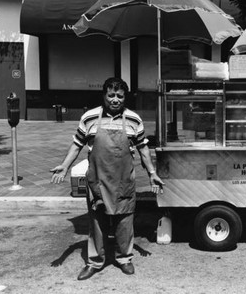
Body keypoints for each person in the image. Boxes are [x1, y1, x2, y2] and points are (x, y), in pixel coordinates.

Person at [50, 77, 164, 281]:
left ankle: (124, 259)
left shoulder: (133, 119)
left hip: (123, 182)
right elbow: (77, 144)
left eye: (119, 96)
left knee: (124, 222)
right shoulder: (89, 117)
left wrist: (152, 173)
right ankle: (95, 262)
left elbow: (143, 149)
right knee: (97, 223)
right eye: (111, 95)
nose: (115, 100)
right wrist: (64, 166)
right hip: (97, 183)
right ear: (104, 95)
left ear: (125, 97)